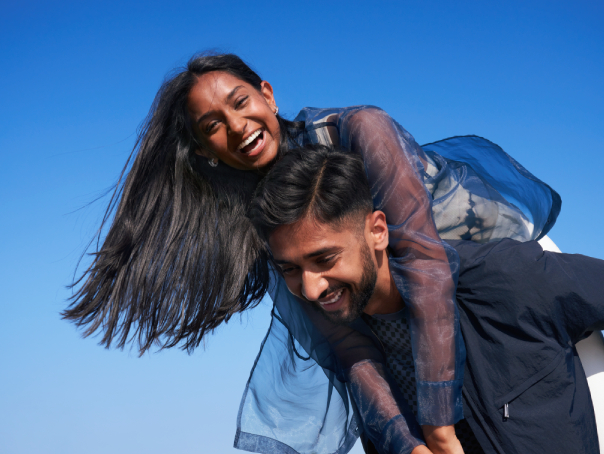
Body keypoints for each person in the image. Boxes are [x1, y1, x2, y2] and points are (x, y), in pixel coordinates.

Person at [62, 53, 561, 452]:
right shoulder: (264, 220)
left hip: (494, 282)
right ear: (205, 153)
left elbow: (425, 263)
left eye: (240, 102)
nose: (237, 127)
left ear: (267, 94)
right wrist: (410, 445)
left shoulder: (359, 130)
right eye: (213, 125)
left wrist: (438, 431)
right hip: (397, 321)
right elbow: (349, 345)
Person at [246, 144, 602, 454]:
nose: (310, 290)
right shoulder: (357, 358)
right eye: (290, 269)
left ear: (378, 232)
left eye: (324, 260)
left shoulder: (501, 279)